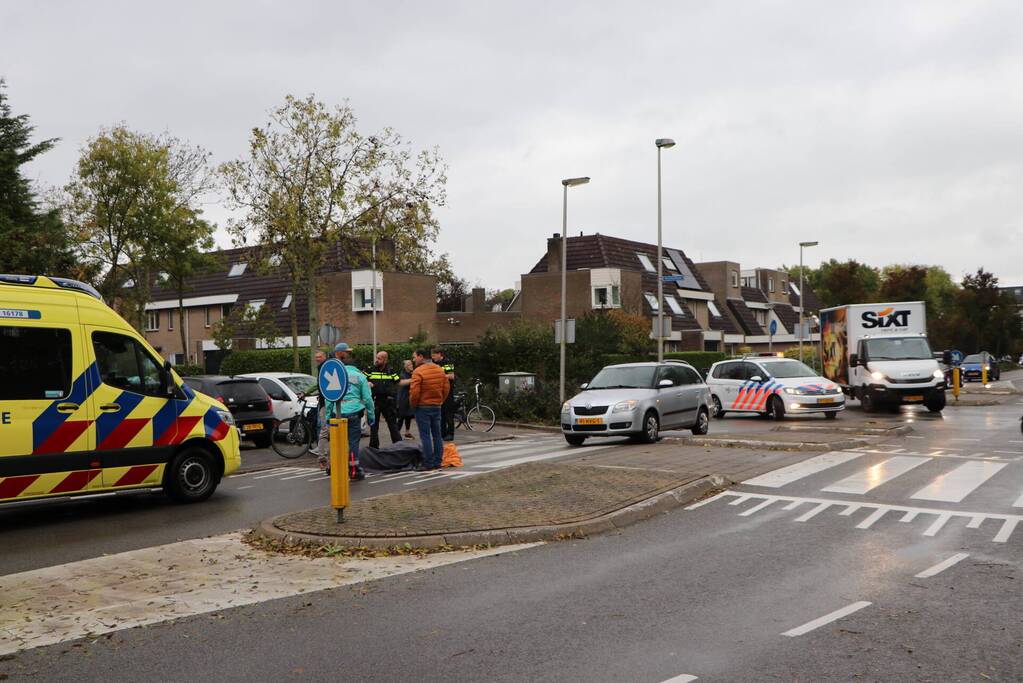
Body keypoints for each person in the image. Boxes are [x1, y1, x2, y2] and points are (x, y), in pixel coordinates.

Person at [318, 342, 374, 480]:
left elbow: (330, 398)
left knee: (336, 442)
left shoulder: (335, 374)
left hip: (337, 414)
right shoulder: (359, 376)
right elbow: (367, 399)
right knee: (353, 443)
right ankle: (354, 470)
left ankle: (333, 467)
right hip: (354, 413)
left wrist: (328, 416)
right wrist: (371, 416)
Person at [410, 348, 449, 470]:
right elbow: (446, 387)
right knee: (437, 435)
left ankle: (428, 462)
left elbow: (414, 392)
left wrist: (414, 405)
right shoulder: (440, 370)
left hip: (422, 407)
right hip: (436, 406)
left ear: (421, 356)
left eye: (414, 356)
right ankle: (438, 461)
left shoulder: (418, 371)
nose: (413, 359)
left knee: (425, 435)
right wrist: (440, 400)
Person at [364, 351, 403, 448]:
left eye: (379, 358)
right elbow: (361, 379)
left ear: (385, 360)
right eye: (376, 358)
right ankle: (373, 447)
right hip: (375, 400)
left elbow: (398, 382)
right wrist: (367, 383)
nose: (376, 360)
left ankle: (399, 445)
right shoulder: (370, 370)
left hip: (388, 401)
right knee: (373, 425)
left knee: (392, 425)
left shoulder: (391, 370)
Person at [431, 346, 456, 441]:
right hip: (438, 392)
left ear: (439, 354)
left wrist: (440, 375)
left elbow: (452, 376)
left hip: (448, 391)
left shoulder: (448, 363)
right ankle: (442, 433)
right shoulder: (434, 364)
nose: (433, 357)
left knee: (448, 413)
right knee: (440, 413)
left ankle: (450, 433)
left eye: (434, 355)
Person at [309, 349, 329, 458]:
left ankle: (321, 452)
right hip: (325, 399)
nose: (317, 359)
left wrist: (306, 392)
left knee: (322, 427)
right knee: (323, 426)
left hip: (325, 402)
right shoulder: (325, 366)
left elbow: (320, 384)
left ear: (324, 356)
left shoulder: (323, 367)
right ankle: (321, 448)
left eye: (319, 357)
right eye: (316, 357)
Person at [396, 358, 415, 438]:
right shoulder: (402, 375)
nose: (411, 366)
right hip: (403, 398)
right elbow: (402, 383)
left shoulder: (412, 374)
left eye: (411, 364)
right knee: (402, 416)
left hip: (409, 397)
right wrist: (414, 379)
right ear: (405, 367)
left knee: (409, 415)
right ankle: (396, 433)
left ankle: (407, 432)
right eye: (409, 365)